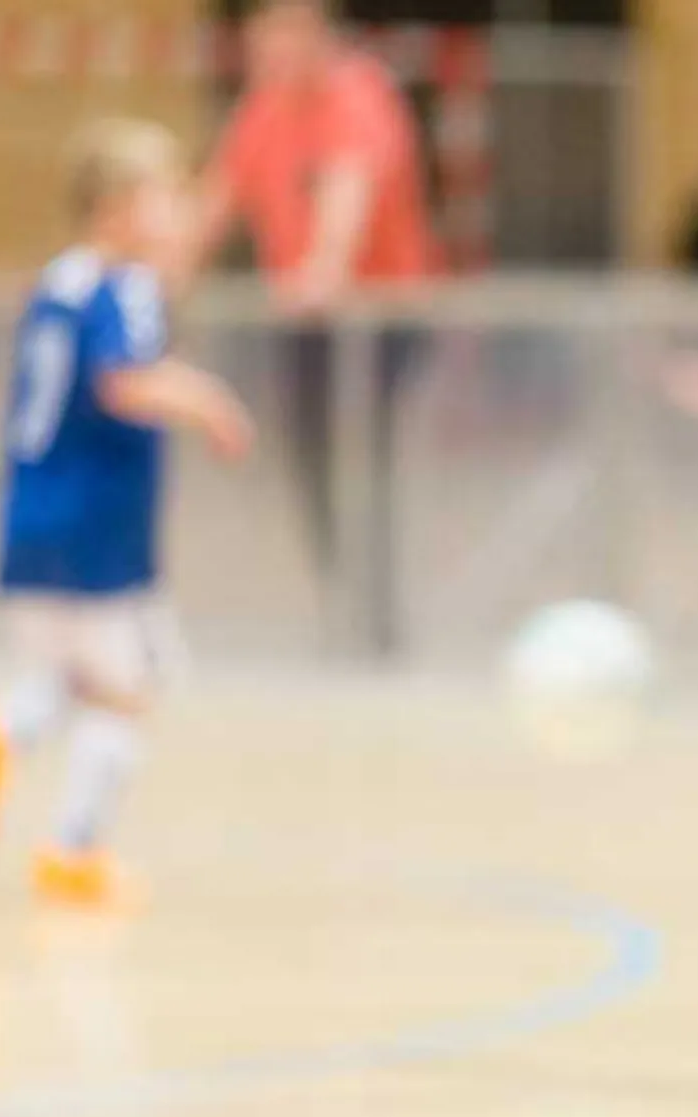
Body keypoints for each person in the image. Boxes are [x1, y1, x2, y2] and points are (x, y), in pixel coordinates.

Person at [0, 119, 255, 906]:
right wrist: (210, 402)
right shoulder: (126, 287)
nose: (176, 211)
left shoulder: (60, 281)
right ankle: (72, 845)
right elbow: (123, 380)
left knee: (72, 675)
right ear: (118, 206)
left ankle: (4, 728)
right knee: (129, 689)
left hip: (30, 514)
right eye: (163, 196)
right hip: (100, 526)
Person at [196, 0, 437, 654]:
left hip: (377, 322)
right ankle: (344, 604)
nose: (264, 55)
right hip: (304, 327)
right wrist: (151, 278)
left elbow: (347, 190)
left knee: (364, 462)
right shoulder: (262, 108)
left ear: (312, 32)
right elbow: (214, 202)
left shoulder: (359, 96)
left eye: (277, 37)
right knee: (310, 467)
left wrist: (325, 267)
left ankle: (379, 620)